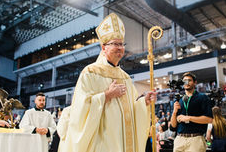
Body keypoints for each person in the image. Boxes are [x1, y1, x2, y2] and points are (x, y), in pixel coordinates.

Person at [57, 13, 156, 152]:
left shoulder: (126, 77)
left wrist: (143, 102)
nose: (120, 48)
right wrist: (106, 95)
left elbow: (132, 110)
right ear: (104, 48)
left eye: (122, 44)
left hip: (123, 141)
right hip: (102, 140)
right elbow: (80, 109)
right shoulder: (90, 72)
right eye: (115, 44)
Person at [170, 72, 213, 152]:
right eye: (185, 81)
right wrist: (174, 112)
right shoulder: (179, 100)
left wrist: (188, 118)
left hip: (195, 139)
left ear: (195, 82)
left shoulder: (203, 97)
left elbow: (209, 119)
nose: (187, 83)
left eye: (189, 80)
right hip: (179, 139)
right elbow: (173, 126)